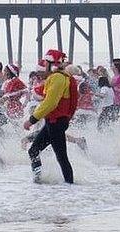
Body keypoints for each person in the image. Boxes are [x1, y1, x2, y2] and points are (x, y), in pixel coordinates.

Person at [23, 49, 79, 184]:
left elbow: (50, 102)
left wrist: (32, 119)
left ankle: (70, 187)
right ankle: (38, 180)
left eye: (45, 62)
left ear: (51, 64)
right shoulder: (60, 77)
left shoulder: (58, 77)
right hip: (54, 121)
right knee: (34, 151)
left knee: (61, 157)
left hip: (56, 122)